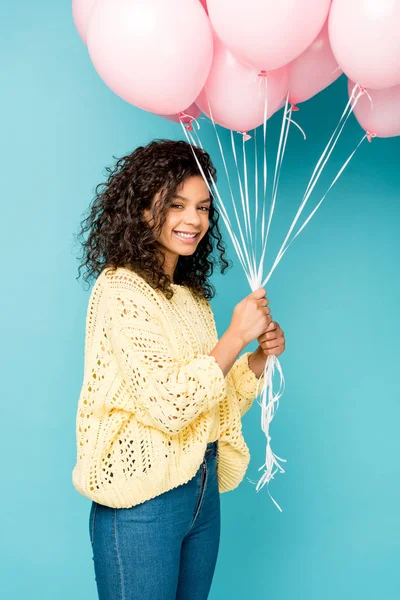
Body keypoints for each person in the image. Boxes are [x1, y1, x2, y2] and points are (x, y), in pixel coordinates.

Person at [72, 139, 286, 600]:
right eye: (176, 205)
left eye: (203, 207)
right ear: (143, 208)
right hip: (141, 499)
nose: (194, 220)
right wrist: (233, 337)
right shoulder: (119, 290)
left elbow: (212, 401)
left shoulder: (192, 299)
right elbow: (170, 405)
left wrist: (258, 356)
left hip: (201, 490)